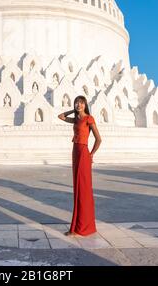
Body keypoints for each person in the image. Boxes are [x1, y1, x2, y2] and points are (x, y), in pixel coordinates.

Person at [58, 95, 102, 236]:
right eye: (77, 103)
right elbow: (60, 116)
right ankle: (77, 226)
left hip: (83, 152)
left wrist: (91, 154)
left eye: (81, 103)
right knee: (77, 188)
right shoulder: (76, 119)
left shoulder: (89, 118)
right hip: (75, 152)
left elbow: (99, 139)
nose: (79, 105)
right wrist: (73, 110)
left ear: (85, 104)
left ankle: (82, 227)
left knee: (83, 189)